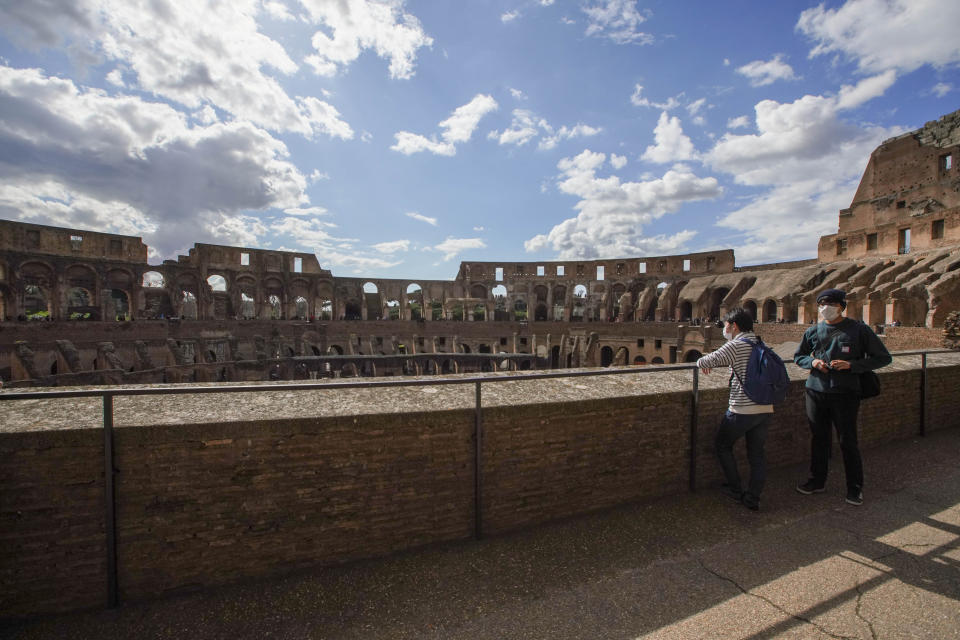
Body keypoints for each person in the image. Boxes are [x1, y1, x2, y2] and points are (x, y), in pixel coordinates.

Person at [793, 288, 891, 506]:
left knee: (848, 441)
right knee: (819, 439)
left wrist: (852, 365)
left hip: (845, 393)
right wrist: (814, 362)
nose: (825, 308)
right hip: (816, 390)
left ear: (841, 307)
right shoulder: (812, 331)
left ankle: (855, 487)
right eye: (821, 304)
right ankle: (817, 481)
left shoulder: (859, 330)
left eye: (830, 304)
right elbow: (798, 356)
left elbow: (883, 358)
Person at [696, 307, 772, 511]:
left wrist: (705, 362)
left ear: (734, 326)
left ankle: (736, 488)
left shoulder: (736, 345)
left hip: (742, 408)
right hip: (765, 407)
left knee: (722, 445)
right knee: (756, 454)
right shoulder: (758, 341)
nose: (725, 329)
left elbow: (704, 361)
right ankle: (753, 497)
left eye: (726, 325)